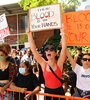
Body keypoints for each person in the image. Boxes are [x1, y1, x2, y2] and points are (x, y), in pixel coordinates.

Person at [26, 24, 66, 100]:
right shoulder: (43, 64)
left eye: (51, 49)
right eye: (46, 49)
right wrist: (29, 35)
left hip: (59, 92)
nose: (48, 51)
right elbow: (34, 51)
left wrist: (62, 32)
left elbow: (64, 49)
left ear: (55, 53)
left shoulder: (59, 63)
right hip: (47, 92)